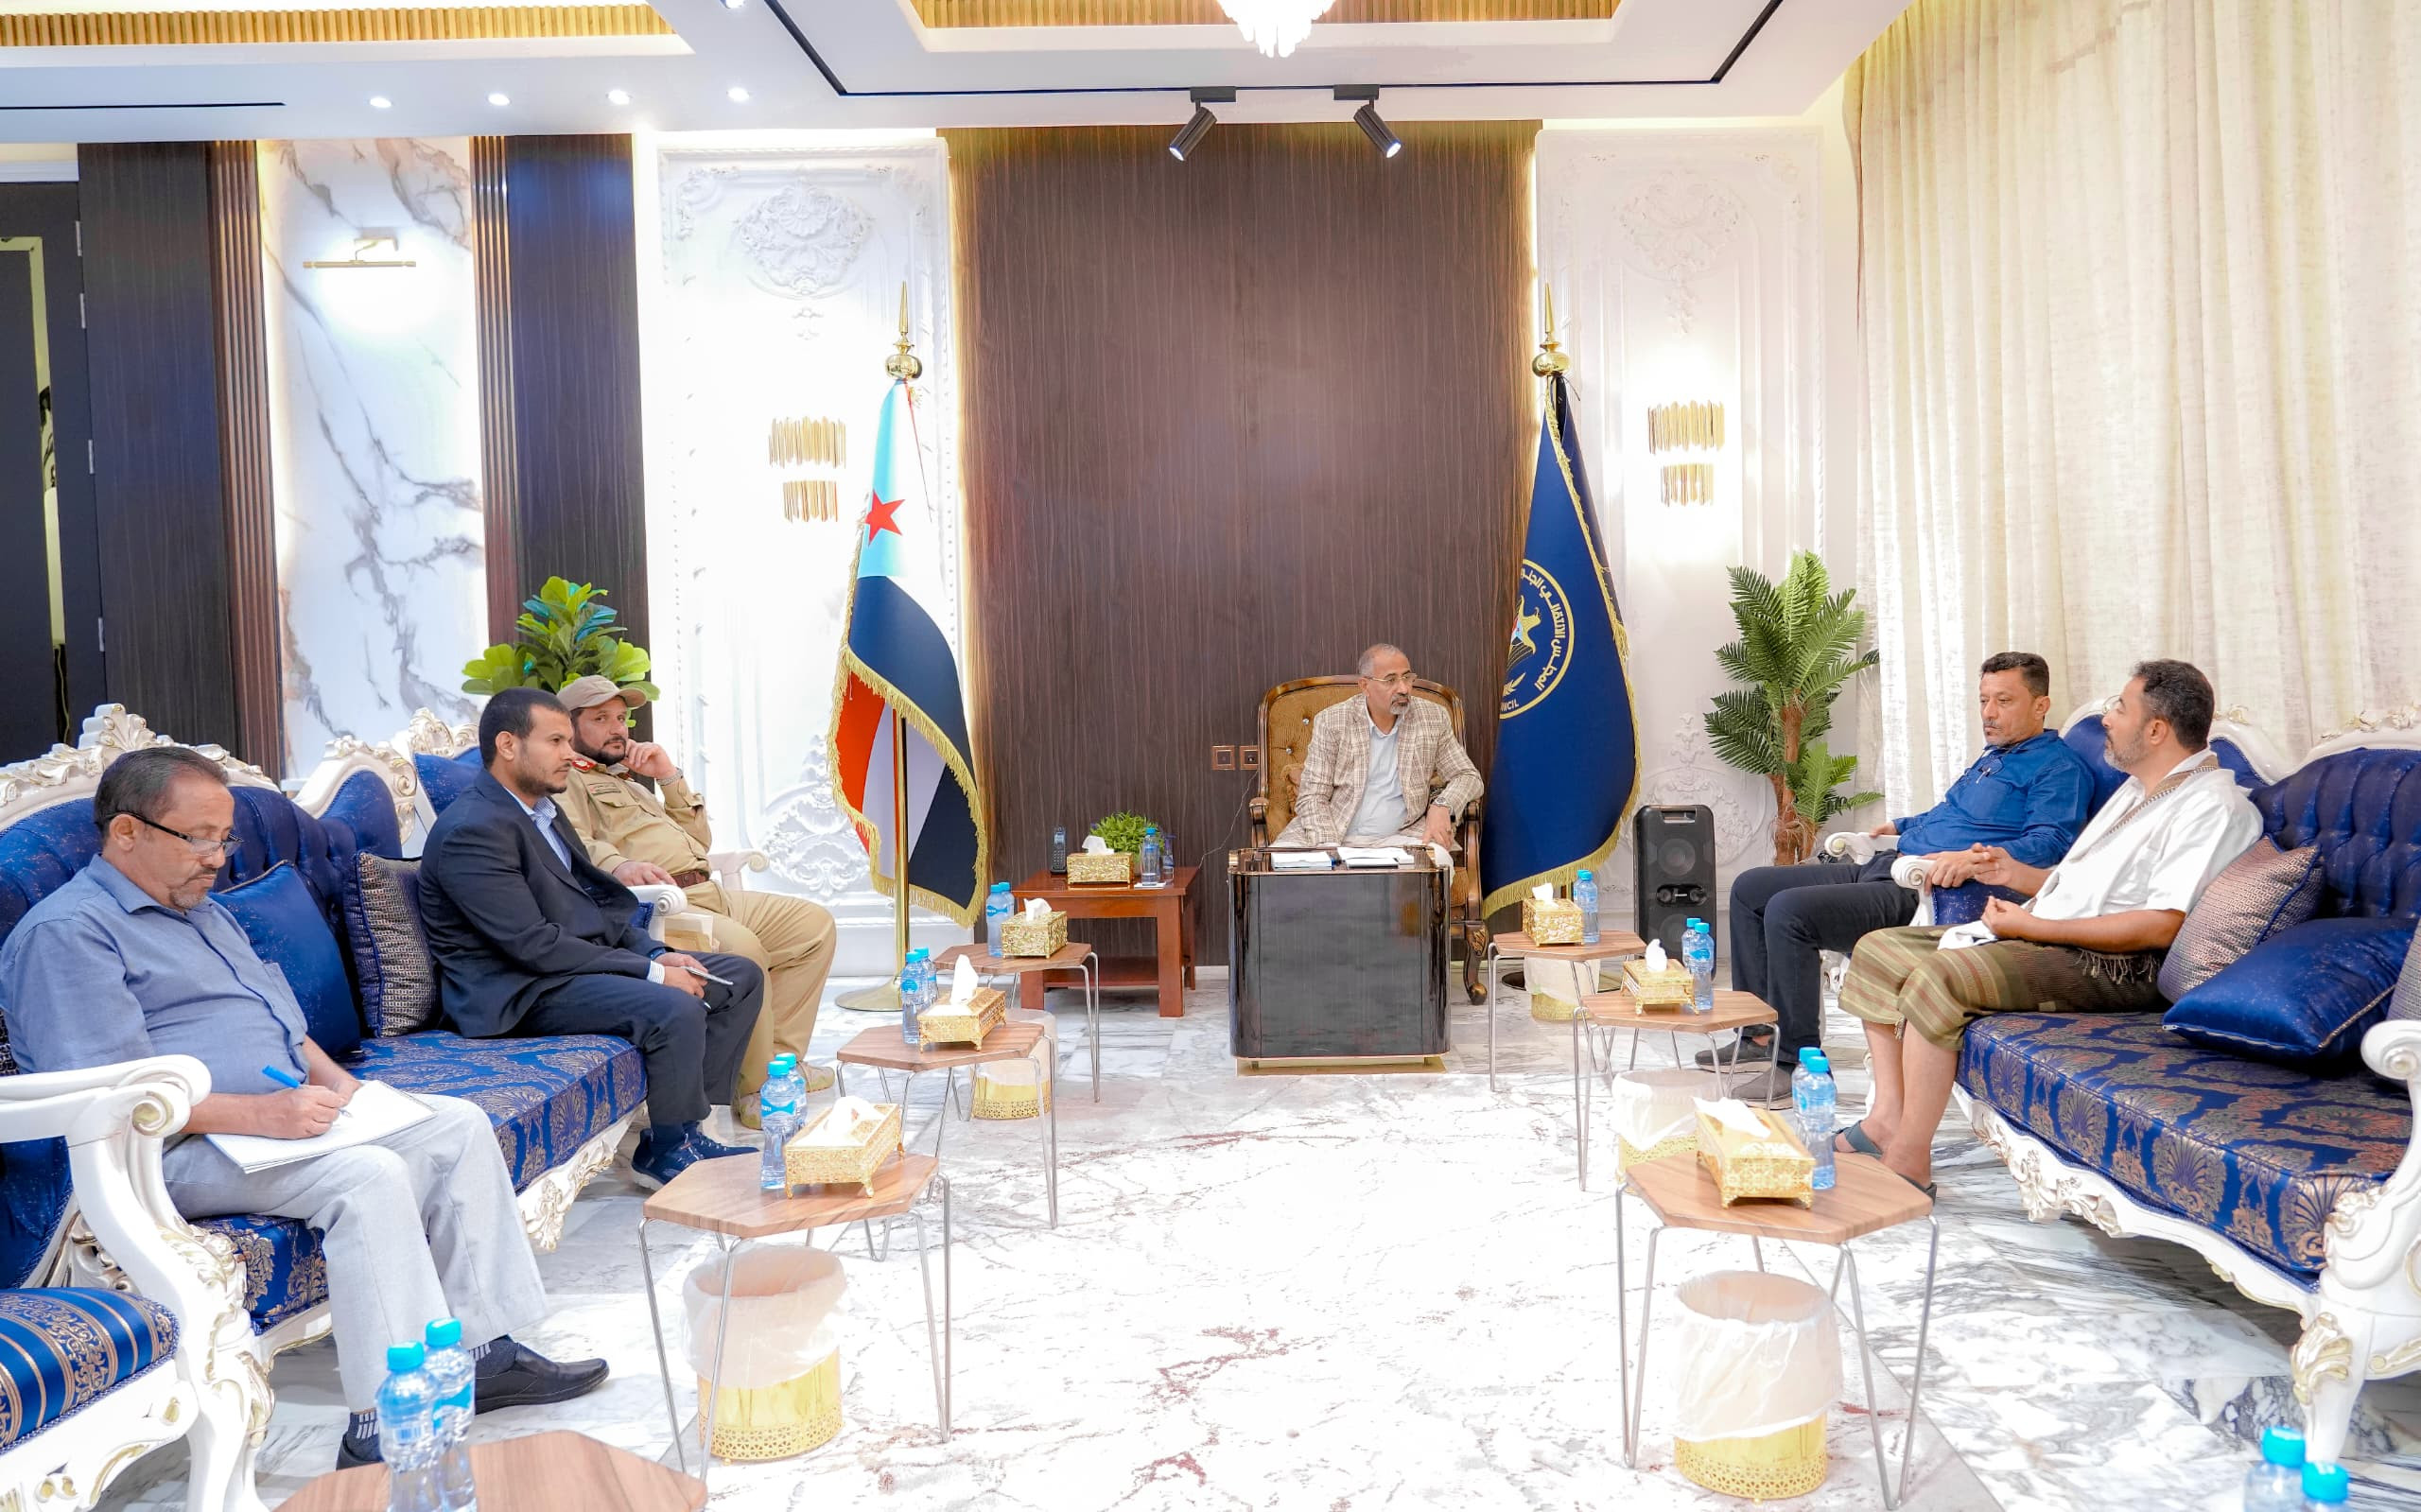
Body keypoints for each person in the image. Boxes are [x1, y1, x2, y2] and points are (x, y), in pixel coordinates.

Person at [0, 747, 608, 1470]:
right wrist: (265, 1116)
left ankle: (486, 1351)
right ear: (127, 831)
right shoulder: (69, 934)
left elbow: (281, 1024)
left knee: (455, 1125)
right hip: (160, 1157)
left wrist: (345, 1089)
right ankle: (385, 1422)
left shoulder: (199, 909)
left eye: (224, 837)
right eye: (199, 838)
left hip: (270, 1125)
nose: (218, 858)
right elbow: (114, 1101)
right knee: (367, 1176)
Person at [1837, 659, 2261, 1193]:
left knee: (1939, 977)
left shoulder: (2212, 806)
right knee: (1879, 950)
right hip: (2060, 932)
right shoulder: (2140, 790)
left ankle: (1908, 1160)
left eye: (2120, 707)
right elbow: (2083, 884)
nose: (2107, 718)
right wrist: (2015, 874)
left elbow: (2161, 925)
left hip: (2121, 964)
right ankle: (1885, 1121)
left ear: (2156, 730)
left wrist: (2035, 929)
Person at [417, 687, 766, 1190]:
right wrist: (653, 973)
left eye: (568, 740)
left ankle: (688, 1127)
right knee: (675, 1005)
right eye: (555, 741)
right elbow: (531, 945)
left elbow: (597, 905)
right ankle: (666, 1150)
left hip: (566, 969)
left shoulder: (542, 811)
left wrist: (659, 953)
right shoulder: (473, 830)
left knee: (737, 976)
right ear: (508, 745)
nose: (569, 753)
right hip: (516, 991)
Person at [1722, 652, 2096, 1086]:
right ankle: (1758, 1035)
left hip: (1925, 889)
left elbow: (2049, 843)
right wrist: (1902, 826)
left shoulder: (2058, 768)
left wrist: (1970, 858)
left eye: (2004, 701)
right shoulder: (1996, 756)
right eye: (1984, 700)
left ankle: (1796, 1063)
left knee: (1789, 911)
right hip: (1890, 862)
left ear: (2041, 705)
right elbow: (1950, 814)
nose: (1989, 713)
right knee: (1750, 888)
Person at [552, 675, 838, 1124]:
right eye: (600, 719)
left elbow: (700, 841)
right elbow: (572, 842)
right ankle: (756, 1091)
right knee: (744, 949)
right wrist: (618, 865)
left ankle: (781, 1064)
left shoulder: (628, 781)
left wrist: (668, 777)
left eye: (621, 718)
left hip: (706, 891)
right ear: (568, 728)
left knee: (812, 926)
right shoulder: (568, 778)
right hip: (662, 904)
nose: (617, 728)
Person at [1275, 644, 1483, 851]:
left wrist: (1443, 805)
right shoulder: (1332, 721)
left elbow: (1467, 776)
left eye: (1407, 677)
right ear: (1365, 686)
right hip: (1333, 833)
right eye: (1390, 680)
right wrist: (1330, 851)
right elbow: (1312, 795)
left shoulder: (1432, 717)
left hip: (1404, 837)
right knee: (1281, 865)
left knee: (1431, 864)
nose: (1403, 689)